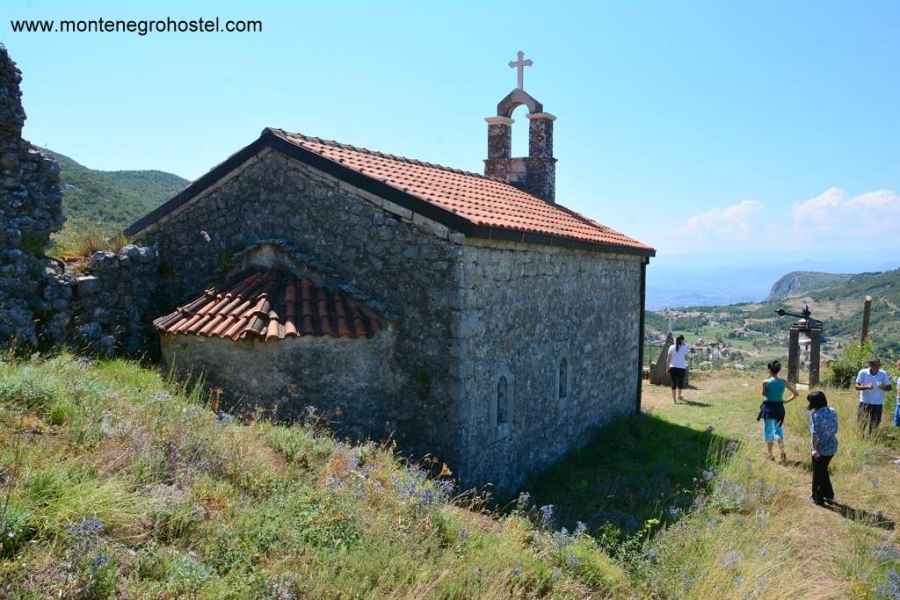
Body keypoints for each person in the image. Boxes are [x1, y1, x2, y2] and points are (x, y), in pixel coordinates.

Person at [756, 360, 798, 462]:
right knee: (778, 430)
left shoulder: (765, 382)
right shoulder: (783, 382)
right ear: (778, 370)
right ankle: (782, 451)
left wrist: (767, 383)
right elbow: (796, 393)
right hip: (780, 408)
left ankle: (770, 455)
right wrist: (785, 401)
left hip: (769, 408)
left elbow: (764, 394)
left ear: (769, 370)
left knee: (769, 431)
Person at [808, 391, 838, 506]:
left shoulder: (815, 414)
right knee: (823, 470)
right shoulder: (833, 410)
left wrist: (814, 449)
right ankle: (829, 494)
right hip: (832, 445)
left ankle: (817, 498)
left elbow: (815, 434)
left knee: (818, 473)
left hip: (821, 448)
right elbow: (834, 428)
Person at [855, 358, 892, 435]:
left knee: (875, 423)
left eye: (879, 365)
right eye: (876, 365)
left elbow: (889, 388)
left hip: (878, 403)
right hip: (865, 402)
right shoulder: (863, 372)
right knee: (861, 422)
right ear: (870, 365)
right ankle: (860, 439)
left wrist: (883, 387)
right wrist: (866, 387)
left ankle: (872, 439)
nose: (878, 367)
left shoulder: (883, 373)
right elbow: (856, 386)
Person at [667, 335, 690, 404]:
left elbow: (668, 359)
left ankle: (674, 400)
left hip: (672, 367)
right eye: (684, 340)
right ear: (682, 340)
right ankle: (679, 396)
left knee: (673, 383)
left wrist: (667, 367)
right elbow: (686, 358)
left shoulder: (671, 347)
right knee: (680, 383)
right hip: (681, 368)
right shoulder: (684, 347)